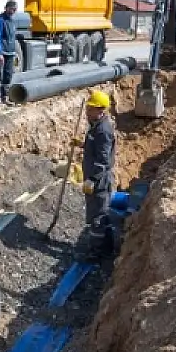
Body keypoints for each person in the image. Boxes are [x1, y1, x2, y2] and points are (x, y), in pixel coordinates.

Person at [77, 90, 117, 257]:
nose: (87, 111)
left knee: (98, 217)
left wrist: (92, 180)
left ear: (101, 110)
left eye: (91, 108)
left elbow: (103, 159)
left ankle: (96, 252)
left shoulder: (103, 131)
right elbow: (95, 150)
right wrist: (81, 144)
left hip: (99, 181)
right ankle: (107, 246)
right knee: (97, 214)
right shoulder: (95, 126)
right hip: (94, 178)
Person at [0, 0, 19, 108]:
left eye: (14, 9)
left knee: (8, 75)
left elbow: (13, 37)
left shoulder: (12, 21)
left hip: (10, 52)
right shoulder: (0, 20)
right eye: (12, 8)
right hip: (2, 53)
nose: (13, 11)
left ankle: (5, 98)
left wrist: (14, 53)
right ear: (6, 8)